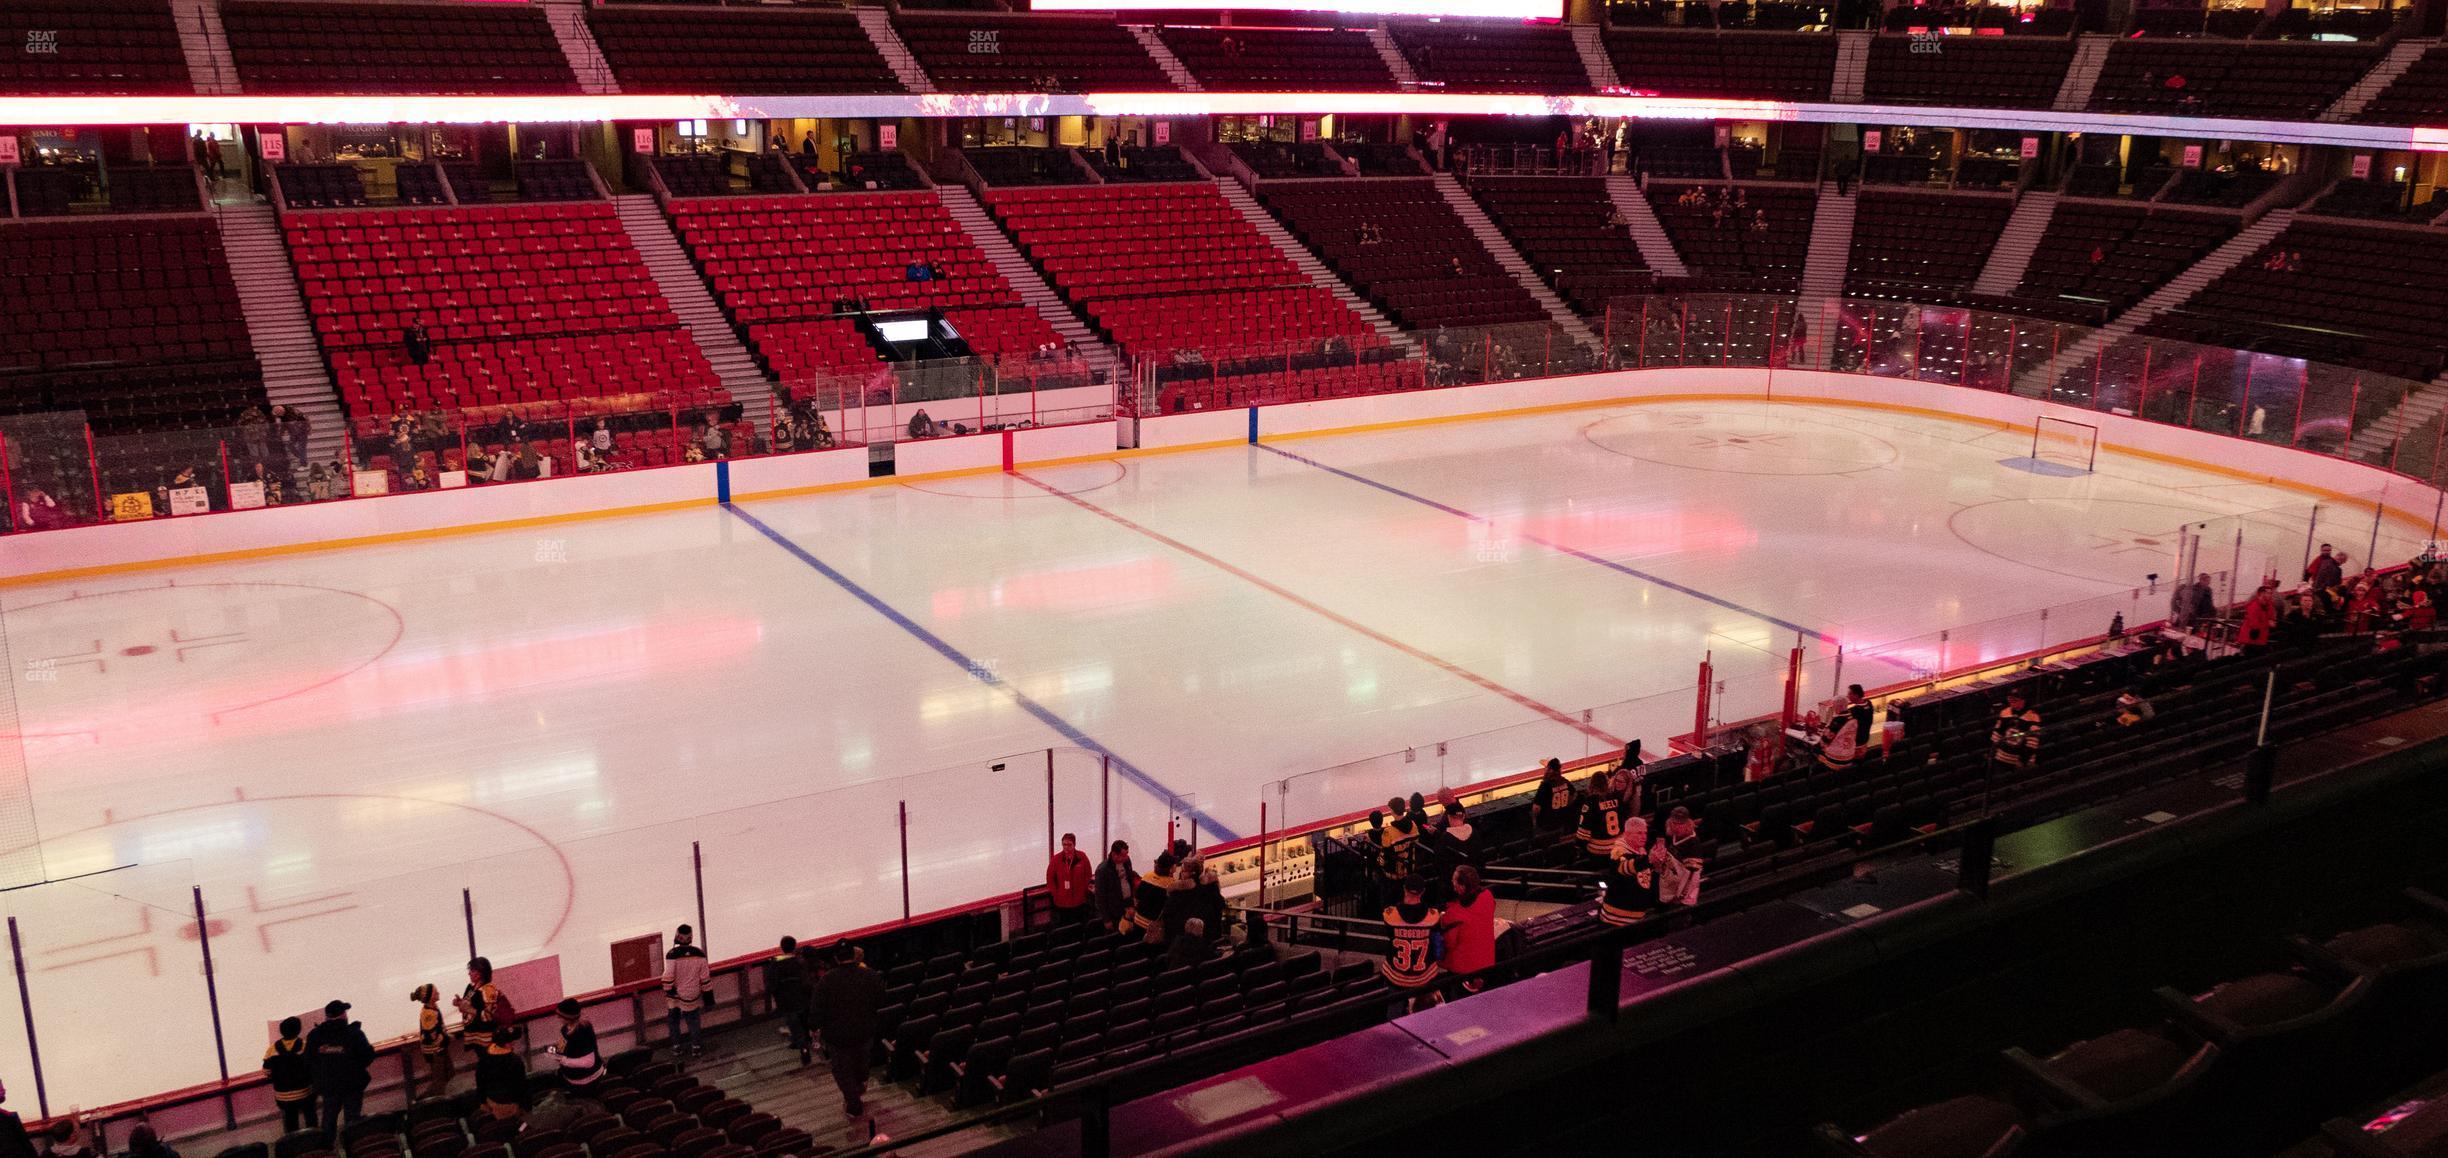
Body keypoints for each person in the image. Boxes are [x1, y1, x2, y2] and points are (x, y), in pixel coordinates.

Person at [810, 941, 886, 1119]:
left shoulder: (827, 980)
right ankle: (858, 1089)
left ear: (836, 958)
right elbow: (881, 999)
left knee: (842, 1069)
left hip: (838, 1036)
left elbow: (817, 1008)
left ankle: (854, 1104)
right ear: (853, 954)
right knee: (861, 1062)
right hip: (864, 1030)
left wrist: (814, 1028)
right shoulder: (869, 975)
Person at [305, 999, 374, 1138]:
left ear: (327, 1017)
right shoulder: (354, 1034)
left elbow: (307, 1059)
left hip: (328, 1086)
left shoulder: (315, 1035)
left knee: (328, 1120)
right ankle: (353, 1146)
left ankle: (327, 1148)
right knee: (353, 1119)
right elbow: (367, 1056)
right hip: (352, 1084)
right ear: (343, 1015)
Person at [1380, 875, 1442, 1011]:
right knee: (1424, 1015)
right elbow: (1437, 941)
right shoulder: (1433, 916)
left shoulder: (1390, 915)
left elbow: (1390, 935)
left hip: (1396, 977)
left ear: (1404, 889)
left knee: (1394, 1014)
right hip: (1424, 976)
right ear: (1423, 891)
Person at [1439, 865, 1496, 995]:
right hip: (1486, 961)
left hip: (1463, 968)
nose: (1452, 882)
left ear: (1462, 887)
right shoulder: (1487, 896)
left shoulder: (1456, 912)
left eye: (1454, 880)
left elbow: (1449, 941)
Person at [662, 924, 710, 1058]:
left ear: (677, 937)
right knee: (693, 1021)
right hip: (692, 993)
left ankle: (677, 1047)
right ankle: (696, 1047)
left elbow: (669, 975)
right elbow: (705, 977)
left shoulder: (672, 954)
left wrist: (668, 989)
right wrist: (708, 996)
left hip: (676, 994)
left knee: (673, 1019)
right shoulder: (699, 953)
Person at [263, 1017, 317, 1134]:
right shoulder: (305, 1046)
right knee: (311, 1118)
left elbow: (266, 1071)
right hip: (305, 1092)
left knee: (290, 1122)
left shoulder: (272, 1049)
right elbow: (313, 1066)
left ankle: (293, 1145)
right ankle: (315, 1141)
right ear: (298, 1030)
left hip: (283, 1096)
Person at [766, 936, 813, 1065]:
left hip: (786, 1001)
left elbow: (772, 985)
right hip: (801, 999)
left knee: (794, 1024)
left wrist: (776, 997)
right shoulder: (799, 963)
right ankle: (803, 1042)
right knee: (802, 1022)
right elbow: (806, 982)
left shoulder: (775, 965)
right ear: (794, 946)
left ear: (782, 947)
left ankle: (802, 1047)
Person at [546, 999, 601, 1094]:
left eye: (559, 1015)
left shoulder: (582, 1031)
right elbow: (563, 1047)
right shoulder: (566, 1029)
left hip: (585, 1082)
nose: (557, 1017)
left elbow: (589, 1062)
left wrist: (563, 1060)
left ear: (567, 1017)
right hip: (574, 1078)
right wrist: (554, 1051)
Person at [456, 957, 506, 1060]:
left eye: (472, 970)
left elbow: (488, 1016)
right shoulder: (471, 988)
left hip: (486, 1039)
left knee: (490, 1064)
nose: (469, 973)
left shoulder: (488, 990)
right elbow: (467, 1006)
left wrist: (469, 1009)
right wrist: (460, 1003)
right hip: (476, 1037)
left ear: (480, 973)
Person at [410, 983, 453, 1100]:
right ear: (429, 997)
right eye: (435, 992)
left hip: (440, 1049)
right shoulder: (428, 1014)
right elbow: (431, 1035)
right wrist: (446, 1038)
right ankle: (423, 1101)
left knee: (449, 1073)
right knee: (440, 1081)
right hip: (435, 1051)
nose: (438, 993)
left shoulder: (433, 1007)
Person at [475, 1024, 526, 1121]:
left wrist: (482, 1101)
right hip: (508, 1104)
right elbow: (520, 1085)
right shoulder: (514, 1061)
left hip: (491, 1099)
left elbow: (479, 1080)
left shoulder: (485, 1054)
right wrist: (524, 1105)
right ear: (508, 1044)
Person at [1574, 771, 1624, 865]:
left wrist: (1577, 847)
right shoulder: (1617, 798)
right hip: (1617, 848)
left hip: (1598, 851)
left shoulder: (1590, 802)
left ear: (1592, 785)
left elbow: (1583, 834)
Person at [1821, 684, 1873, 772]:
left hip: (1857, 743)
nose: (1848, 696)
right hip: (1865, 739)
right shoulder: (1868, 703)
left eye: (1849, 694)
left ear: (1856, 695)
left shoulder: (1854, 712)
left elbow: (1833, 732)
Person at [1047, 833, 1094, 926]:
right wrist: (1056, 894)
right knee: (1065, 926)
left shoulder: (1082, 857)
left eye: (1069, 845)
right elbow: (1050, 878)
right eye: (1064, 844)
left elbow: (1088, 874)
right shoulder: (1056, 859)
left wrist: (1083, 889)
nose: (1066, 847)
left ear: (1074, 844)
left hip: (1079, 900)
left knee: (1079, 925)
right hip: (1062, 901)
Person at [1991, 689, 2040, 774]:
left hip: (2020, 761)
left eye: (2015, 700)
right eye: (2010, 700)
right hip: (2002, 758)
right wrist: (1992, 753)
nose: (2012, 703)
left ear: (2023, 700)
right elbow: (1997, 735)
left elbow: (2032, 743)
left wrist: (2022, 760)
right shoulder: (2005, 713)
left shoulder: (2033, 717)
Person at [1094, 840, 1135, 932]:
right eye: (1123, 855)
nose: (1126, 857)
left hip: (1127, 907)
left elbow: (1130, 881)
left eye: (1127, 854)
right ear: (1114, 854)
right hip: (1113, 911)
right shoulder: (1103, 870)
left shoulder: (1127, 862)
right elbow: (1100, 896)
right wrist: (1106, 919)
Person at [1532, 757, 1576, 833]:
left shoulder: (1545, 785)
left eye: (1546, 768)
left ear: (1550, 770)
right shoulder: (1565, 782)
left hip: (1546, 824)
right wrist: (1565, 804)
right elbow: (1574, 794)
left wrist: (1534, 821)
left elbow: (1536, 808)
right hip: (1561, 822)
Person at [2240, 583, 2277, 650]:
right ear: (2261, 594)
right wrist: (2267, 622)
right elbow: (2254, 624)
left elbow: (2272, 619)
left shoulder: (2269, 605)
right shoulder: (2253, 606)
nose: (2270, 595)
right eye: (2268, 593)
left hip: (2261, 639)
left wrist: (2269, 621)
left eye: (2271, 593)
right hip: (2251, 640)